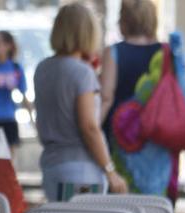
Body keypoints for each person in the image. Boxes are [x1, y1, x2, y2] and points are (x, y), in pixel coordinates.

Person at [99, 0, 185, 202]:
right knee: (158, 210)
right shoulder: (168, 52)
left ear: (123, 20)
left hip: (122, 141)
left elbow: (106, 97)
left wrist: (91, 128)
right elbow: (184, 96)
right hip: (162, 142)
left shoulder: (114, 52)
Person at [34, 2, 128, 201]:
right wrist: (110, 170)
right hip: (82, 169)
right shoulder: (81, 73)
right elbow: (89, 127)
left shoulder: (42, 69)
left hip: (51, 165)